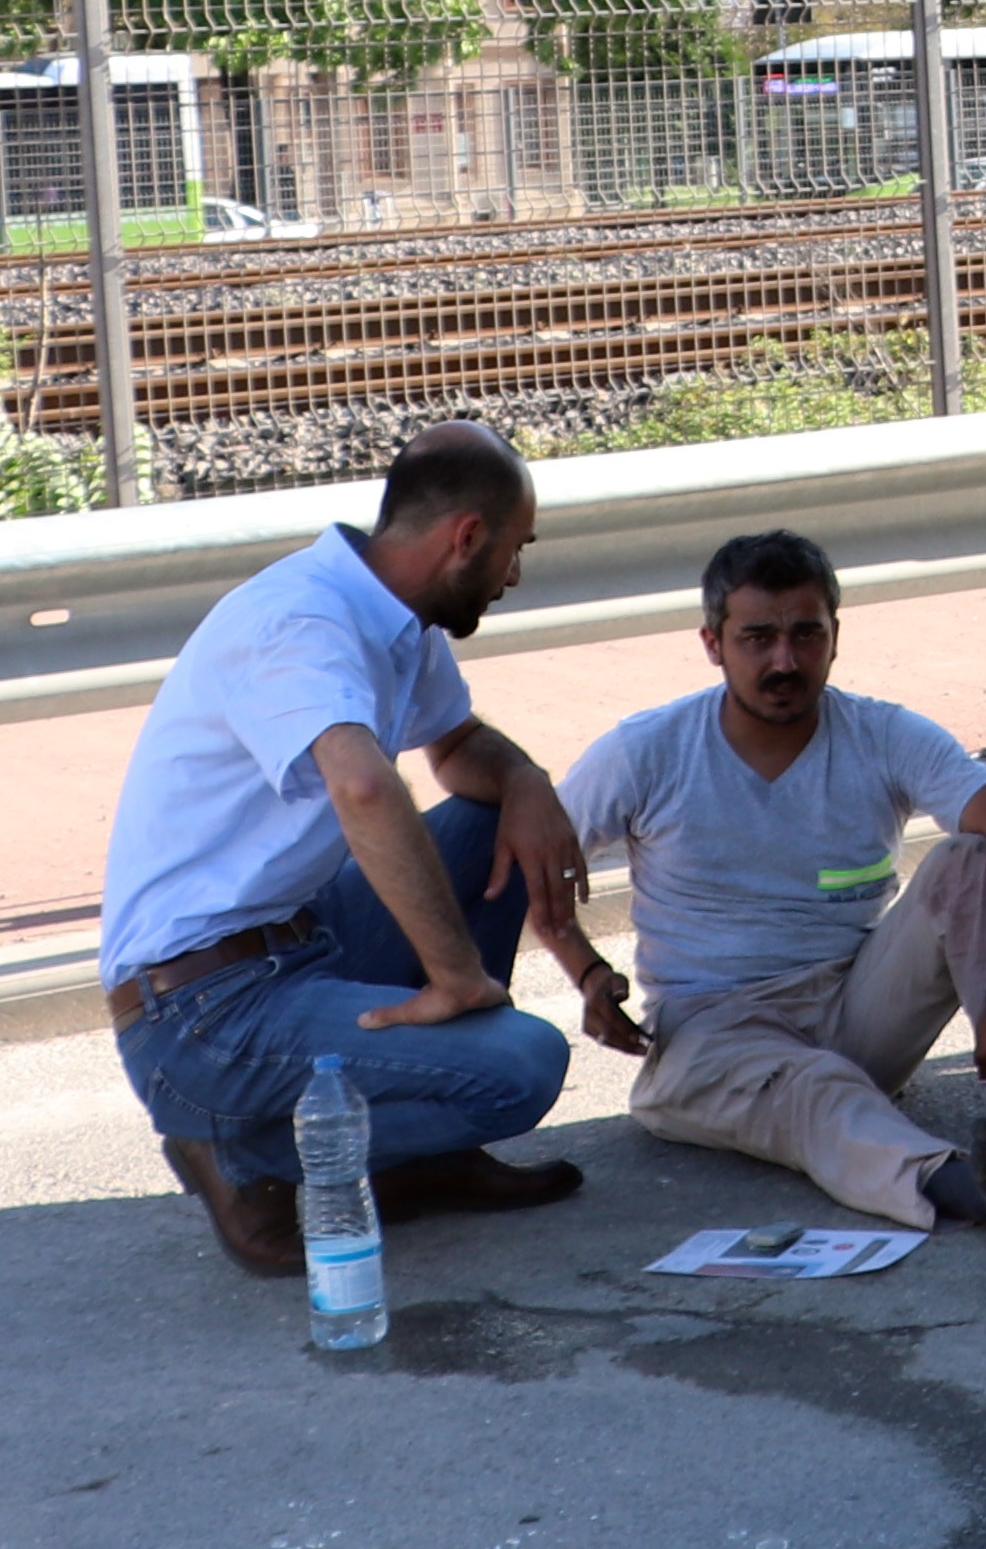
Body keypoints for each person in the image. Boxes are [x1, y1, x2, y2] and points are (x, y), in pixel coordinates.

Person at [97, 417, 643, 1278]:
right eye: (515, 549)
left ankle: (421, 1152)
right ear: (467, 538)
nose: (516, 574)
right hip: (200, 1013)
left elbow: (458, 749)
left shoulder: (398, 616)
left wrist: (528, 781)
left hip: (295, 945)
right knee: (522, 1067)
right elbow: (362, 786)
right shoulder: (302, 620)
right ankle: (241, 1155)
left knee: (479, 817)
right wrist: (458, 978)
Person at [573, 528, 986, 1238]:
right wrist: (584, 973)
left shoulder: (880, 733)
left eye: (806, 634)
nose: (785, 659)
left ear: (835, 635)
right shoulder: (646, 750)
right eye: (757, 638)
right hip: (712, 1037)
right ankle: (966, 1184)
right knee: (815, 1092)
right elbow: (529, 861)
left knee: (971, 860)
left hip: (852, 1004)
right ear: (712, 643)